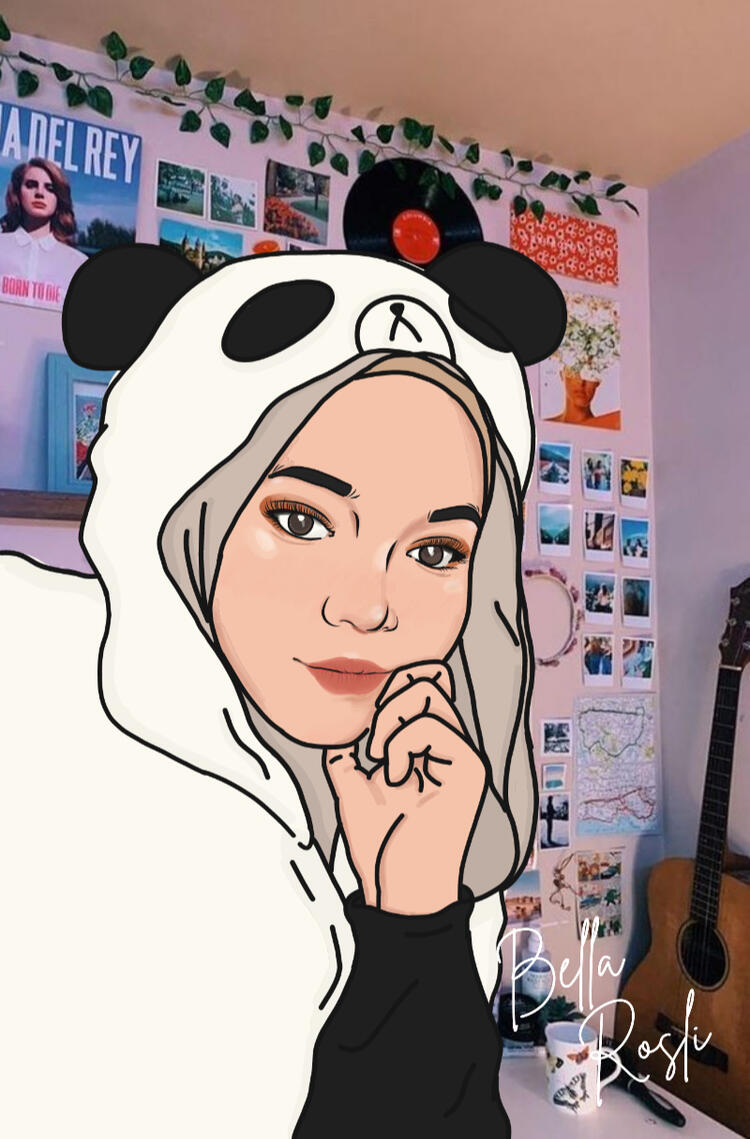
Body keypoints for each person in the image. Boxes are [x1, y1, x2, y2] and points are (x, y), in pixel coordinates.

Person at [0, 241, 566, 1136]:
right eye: (301, 519)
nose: (369, 607)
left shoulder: (426, 803)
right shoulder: (32, 677)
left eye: (435, 550)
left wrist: (413, 910)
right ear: (189, 510)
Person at [0, 156, 88, 308]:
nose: (40, 193)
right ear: (18, 193)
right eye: (31, 185)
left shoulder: (79, 264)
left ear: (59, 198)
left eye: (50, 188)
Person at [546, 364, 621, 429]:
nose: (581, 382)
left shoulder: (607, 430)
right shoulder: (544, 427)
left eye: (590, 374)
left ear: (598, 380)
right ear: (562, 374)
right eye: (575, 370)